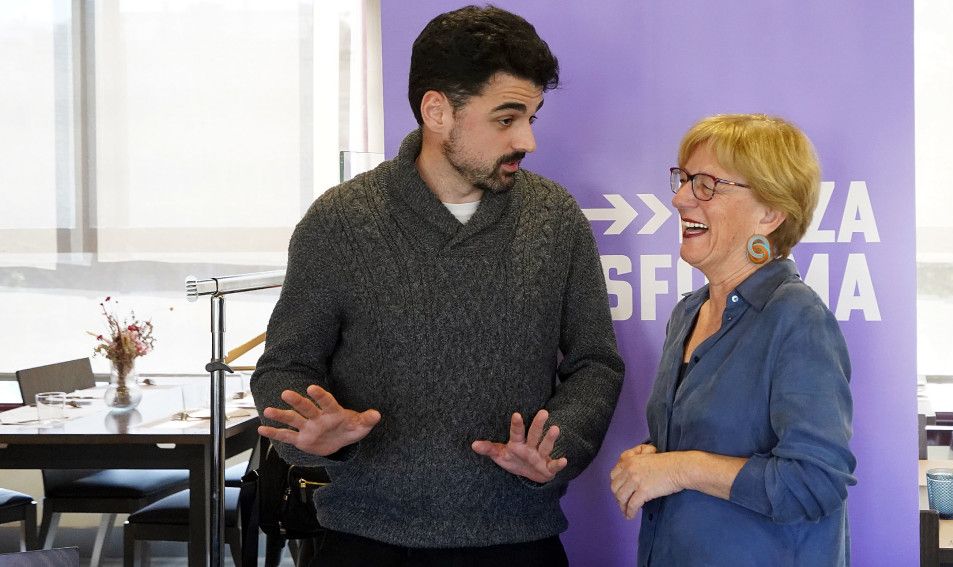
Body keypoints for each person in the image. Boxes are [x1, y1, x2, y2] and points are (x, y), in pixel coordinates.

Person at [251, 6, 624, 566]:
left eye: (532, 117)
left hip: (518, 539)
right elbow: (284, 367)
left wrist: (558, 442)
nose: (528, 139)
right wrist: (312, 431)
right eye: (506, 118)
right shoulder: (341, 221)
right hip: (365, 542)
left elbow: (596, 362)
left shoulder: (555, 218)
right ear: (437, 111)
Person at [609, 114, 857, 566]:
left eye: (707, 184)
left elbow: (814, 483)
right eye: (683, 180)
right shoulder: (689, 312)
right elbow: (706, 436)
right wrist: (652, 458)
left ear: (770, 213)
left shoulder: (798, 319)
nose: (681, 198)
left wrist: (679, 467)